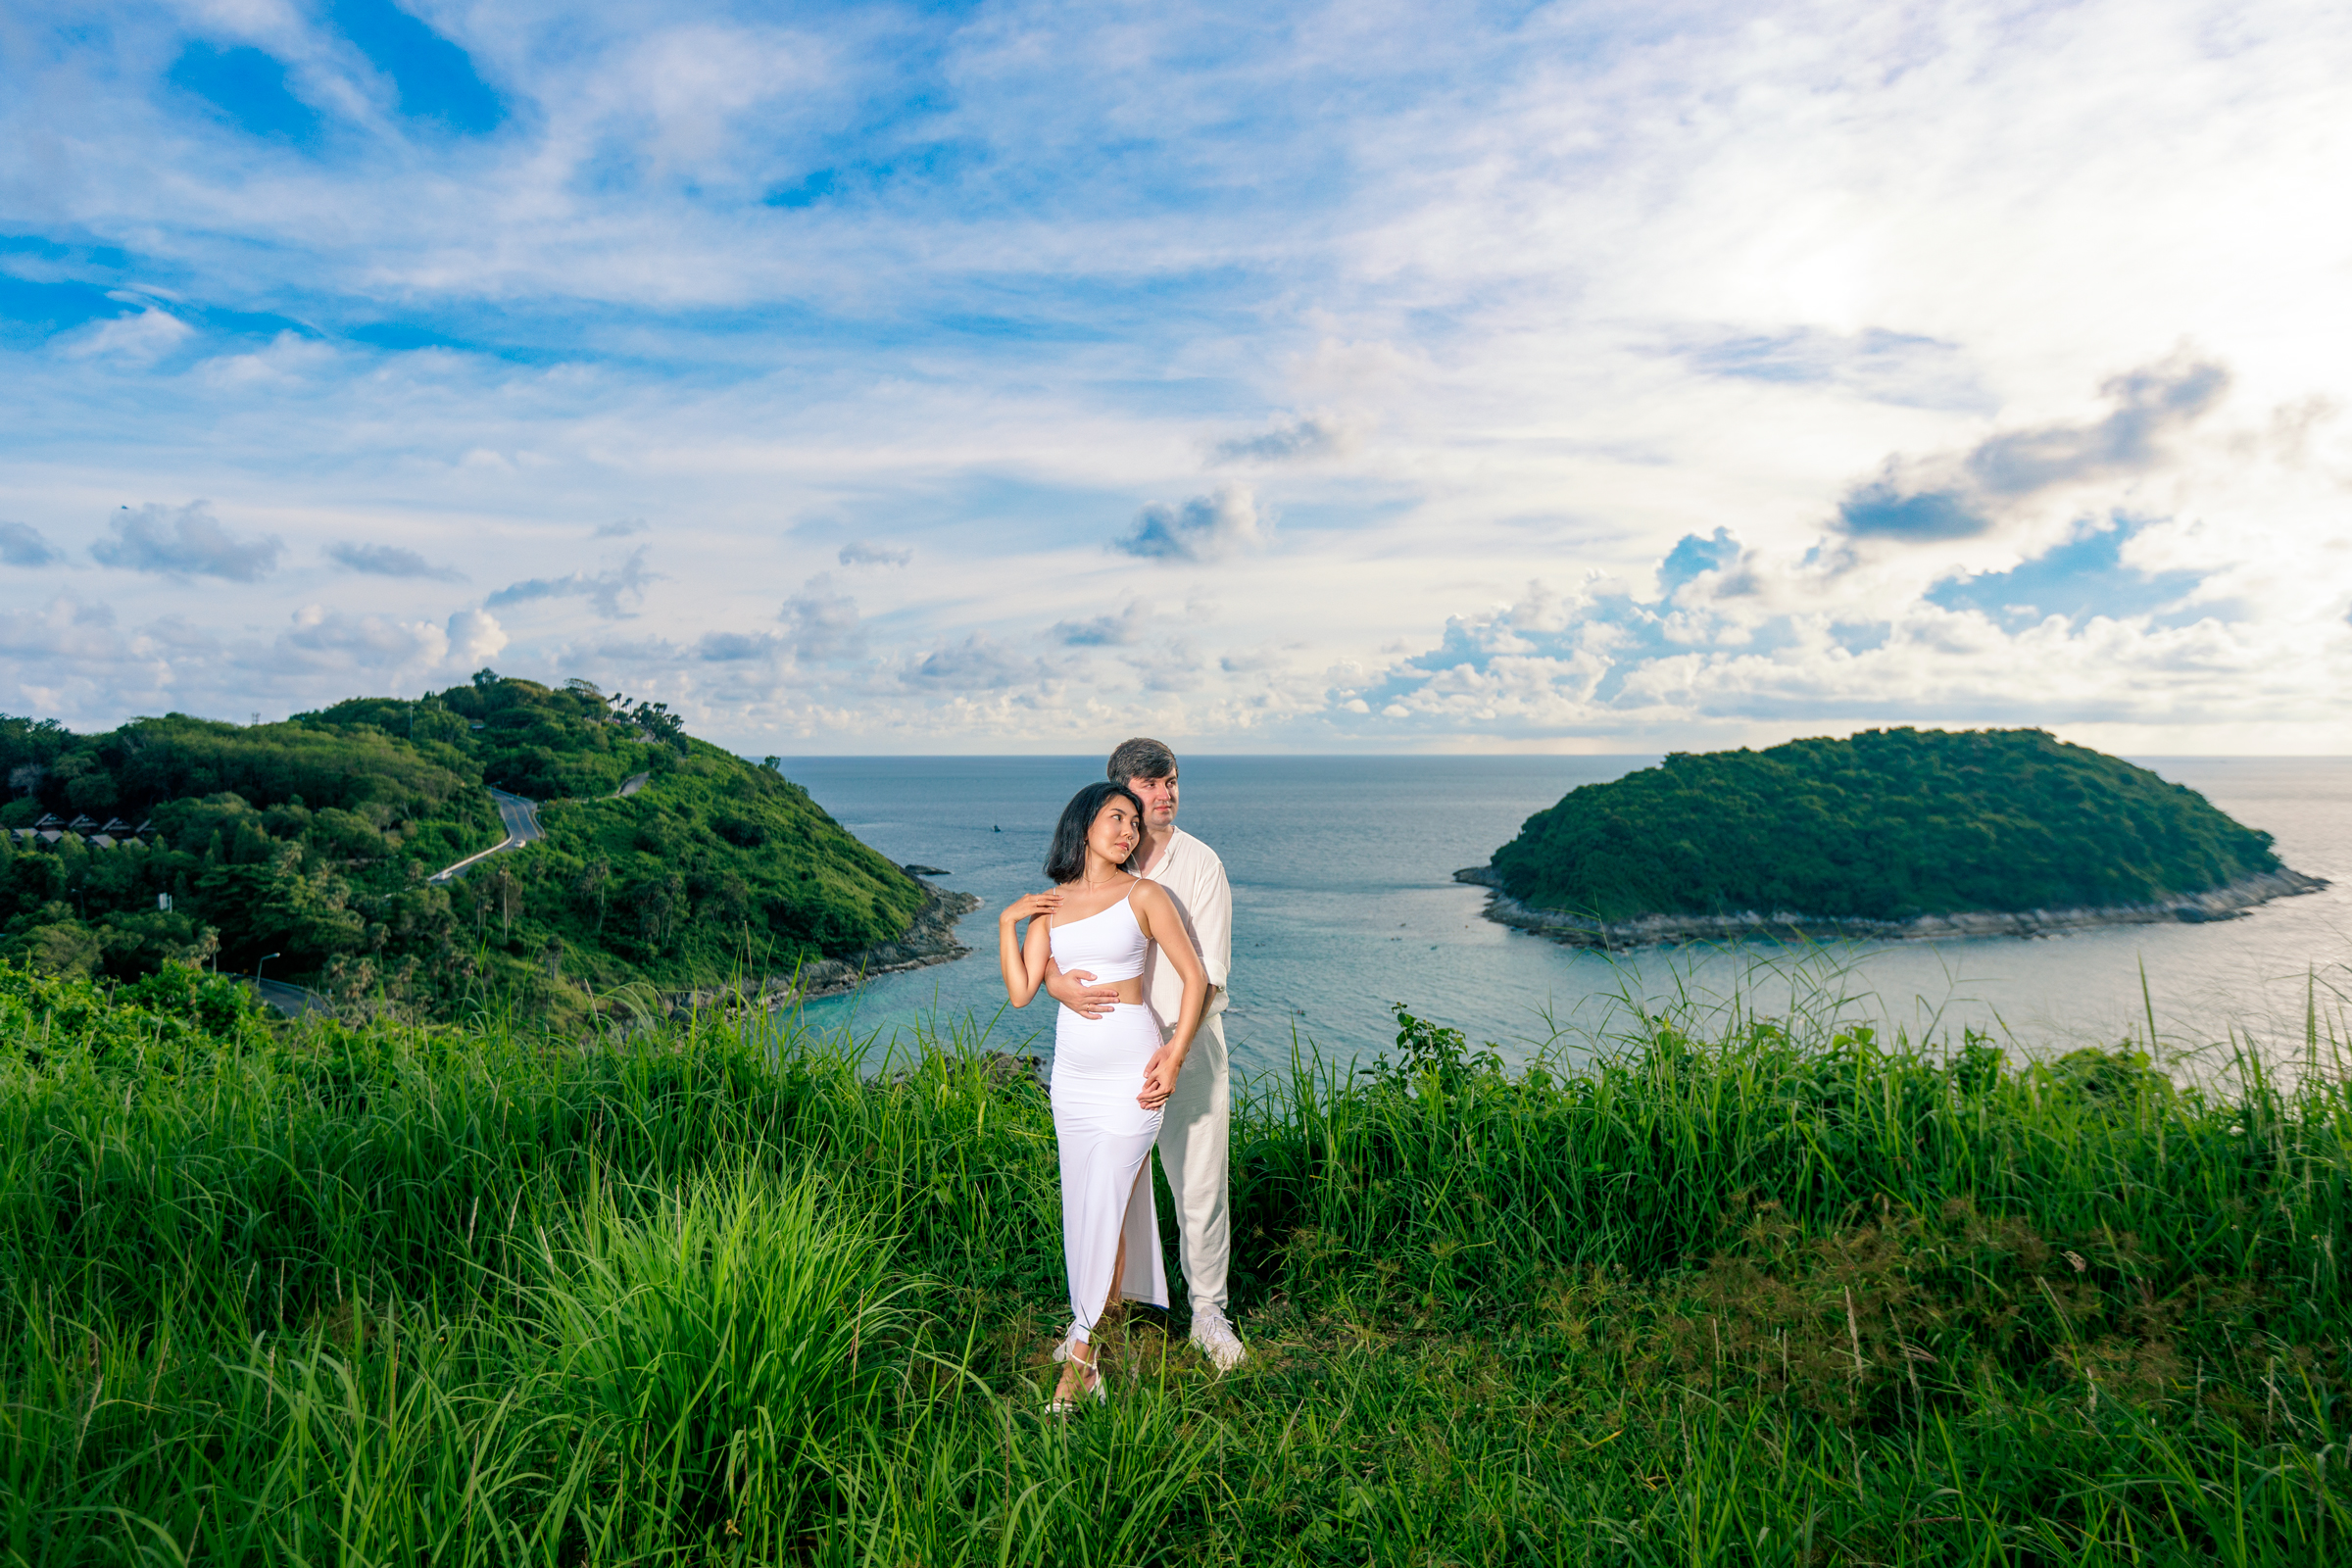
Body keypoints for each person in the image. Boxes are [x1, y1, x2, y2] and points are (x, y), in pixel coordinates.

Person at [1000, 781, 1209, 1413]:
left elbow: (1194, 976)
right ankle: (1088, 1326)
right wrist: (1008, 921)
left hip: (1131, 1070)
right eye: (1117, 818)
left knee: (1107, 1199)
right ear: (1085, 822)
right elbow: (1020, 992)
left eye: (1135, 824)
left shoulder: (1145, 894)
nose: (1128, 832)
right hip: (1073, 1077)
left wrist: (1173, 1055)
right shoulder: (1050, 905)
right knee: (1085, 1206)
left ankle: (1082, 1358)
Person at [1046, 738, 1244, 1371]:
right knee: (1108, 1188)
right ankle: (1099, 1315)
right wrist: (1053, 982)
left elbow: (1207, 973)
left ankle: (1208, 1311)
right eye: (1151, 785)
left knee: (1198, 1184)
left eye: (1172, 782)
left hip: (1186, 1048)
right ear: (1120, 795)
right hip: (1111, 1053)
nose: (1165, 794)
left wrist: (1175, 1053)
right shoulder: (1097, 866)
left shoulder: (1200, 864)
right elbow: (1057, 940)